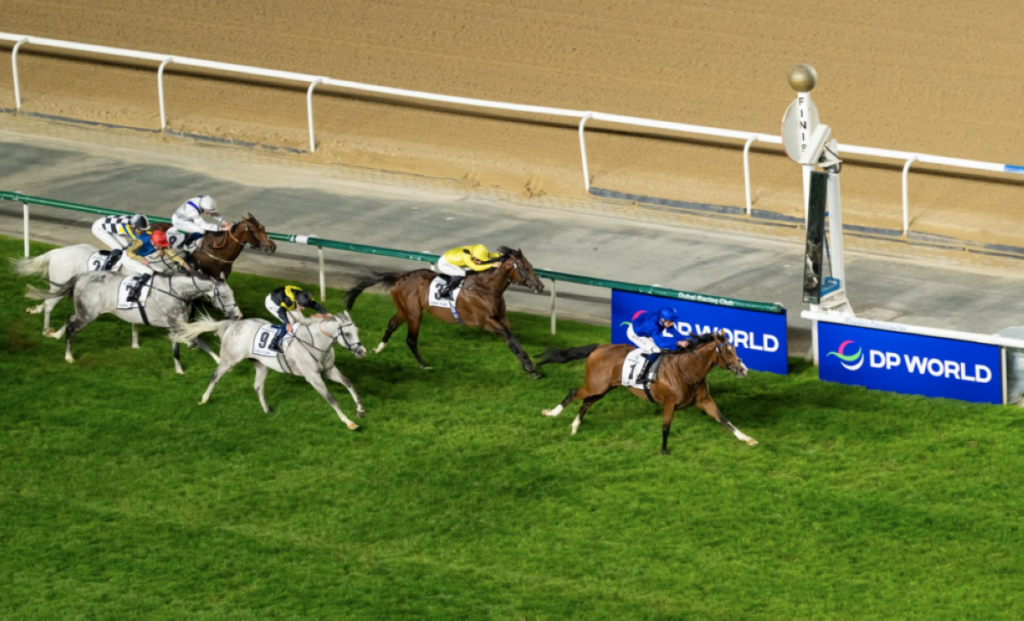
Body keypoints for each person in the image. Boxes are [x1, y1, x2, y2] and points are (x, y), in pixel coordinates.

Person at [123, 229, 191, 302]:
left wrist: (183, 263)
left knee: (160, 271)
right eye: (160, 246)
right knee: (149, 271)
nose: (161, 248)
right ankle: (132, 293)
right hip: (129, 258)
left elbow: (170, 253)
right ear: (154, 242)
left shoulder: (156, 241)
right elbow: (129, 252)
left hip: (142, 257)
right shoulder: (141, 241)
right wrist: (141, 259)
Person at [627, 306, 689, 383]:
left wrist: (683, 339)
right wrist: (678, 343)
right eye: (670, 321)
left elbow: (674, 331)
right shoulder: (653, 325)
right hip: (635, 333)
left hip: (646, 331)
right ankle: (641, 376)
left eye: (673, 321)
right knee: (656, 350)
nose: (672, 323)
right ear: (662, 320)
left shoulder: (664, 318)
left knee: (666, 347)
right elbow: (660, 344)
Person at [264, 285, 329, 352]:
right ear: (297, 302)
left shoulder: (304, 297)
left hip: (287, 302)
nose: (303, 309)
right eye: (302, 306)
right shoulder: (288, 300)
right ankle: (273, 344)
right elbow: (281, 312)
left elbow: (315, 305)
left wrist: (325, 313)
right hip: (274, 303)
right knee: (291, 321)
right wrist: (288, 323)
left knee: (302, 320)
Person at [435, 244, 502, 299]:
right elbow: (476, 268)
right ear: (473, 255)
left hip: (453, 260)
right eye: (478, 260)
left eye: (481, 260)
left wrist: (505, 255)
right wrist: (492, 265)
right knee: (461, 273)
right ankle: (445, 292)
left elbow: (494, 255)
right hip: (444, 263)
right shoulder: (466, 256)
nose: (479, 262)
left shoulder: (477, 252)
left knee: (469, 271)